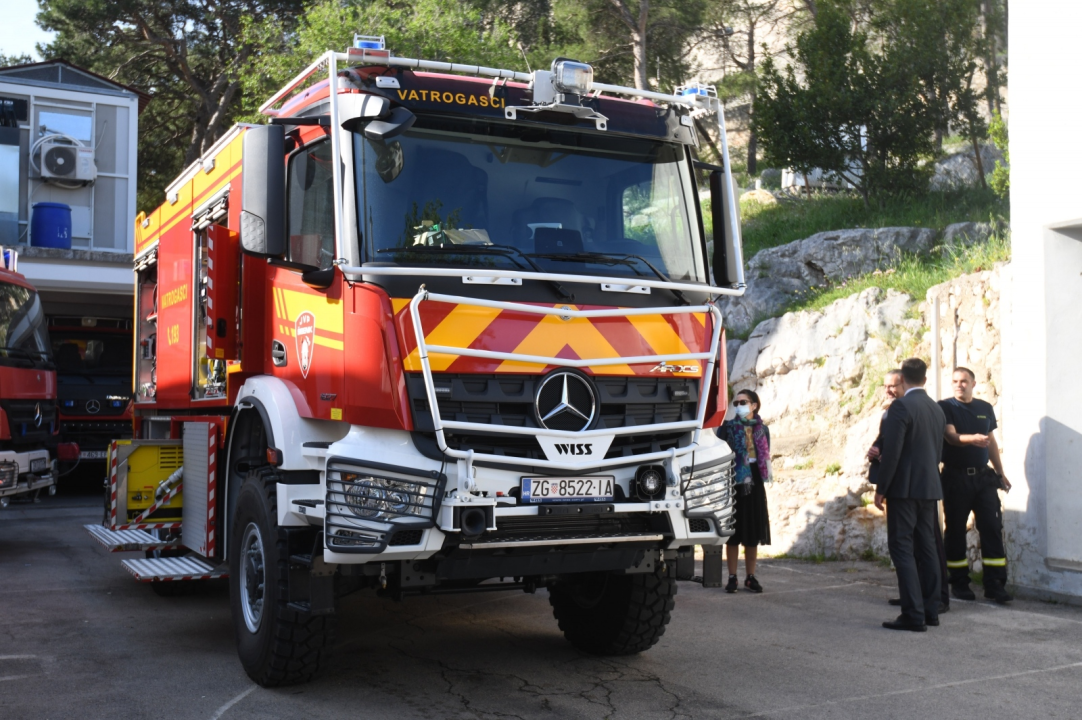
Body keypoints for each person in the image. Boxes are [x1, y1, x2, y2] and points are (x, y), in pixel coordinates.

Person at [868, 370, 950, 613]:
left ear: (903, 379)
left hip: (904, 489)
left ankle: (913, 612)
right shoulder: (936, 408)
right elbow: (937, 451)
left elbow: (893, 453)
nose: (889, 390)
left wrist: (882, 488)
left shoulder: (900, 407)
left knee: (901, 548)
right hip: (929, 487)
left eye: (893, 385)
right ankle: (931, 609)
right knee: (927, 547)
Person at [939, 367, 1013, 604]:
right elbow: (951, 437)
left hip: (983, 479)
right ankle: (959, 582)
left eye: (963, 381)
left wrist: (1000, 472)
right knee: (955, 531)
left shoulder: (984, 408)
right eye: (955, 381)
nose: (959, 385)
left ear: (973, 383)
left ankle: (994, 584)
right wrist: (973, 438)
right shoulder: (945, 407)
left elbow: (991, 442)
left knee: (992, 527)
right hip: (956, 478)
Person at [719, 390, 772, 593]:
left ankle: (750, 577)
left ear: (754, 405)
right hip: (733, 481)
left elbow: (765, 456)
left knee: (753, 531)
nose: (739, 405)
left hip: (754, 481)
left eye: (743, 402)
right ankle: (732, 577)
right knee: (733, 531)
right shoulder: (727, 428)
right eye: (736, 402)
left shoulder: (762, 429)